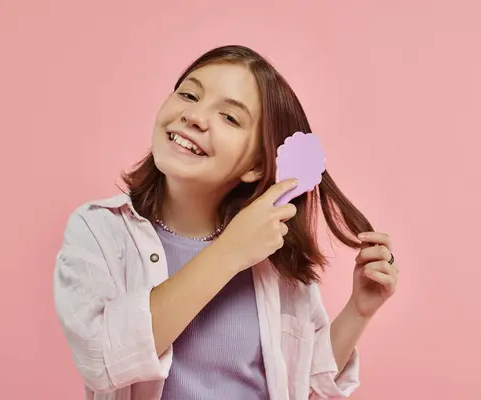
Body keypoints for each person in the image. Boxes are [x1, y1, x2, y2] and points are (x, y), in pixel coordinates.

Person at [53, 44, 399, 400]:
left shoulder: (273, 255)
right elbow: (101, 360)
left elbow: (303, 389)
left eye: (230, 117)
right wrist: (229, 253)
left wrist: (359, 310)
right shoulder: (100, 231)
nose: (195, 116)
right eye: (189, 94)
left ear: (256, 166)